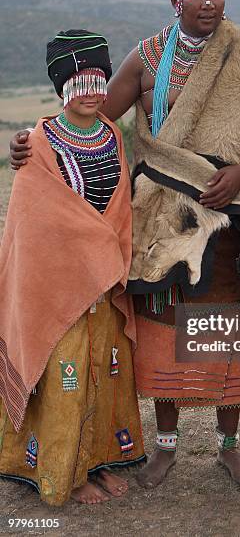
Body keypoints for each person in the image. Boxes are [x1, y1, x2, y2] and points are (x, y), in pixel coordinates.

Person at [10, 0, 240, 488]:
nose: (209, 1)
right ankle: (164, 449)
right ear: (176, 2)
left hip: (228, 220)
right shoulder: (146, 60)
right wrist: (34, 141)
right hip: (162, 226)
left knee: (225, 336)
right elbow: (92, 115)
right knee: (166, 334)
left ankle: (230, 447)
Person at [0, 30, 145, 506]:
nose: (89, 92)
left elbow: (119, 207)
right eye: (78, 83)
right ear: (61, 87)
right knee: (67, 372)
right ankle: (71, 470)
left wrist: (107, 251)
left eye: (97, 81)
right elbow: (34, 219)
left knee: (105, 367)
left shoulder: (111, 134)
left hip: (103, 280)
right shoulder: (40, 141)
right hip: (61, 283)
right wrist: (84, 248)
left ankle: (100, 460)